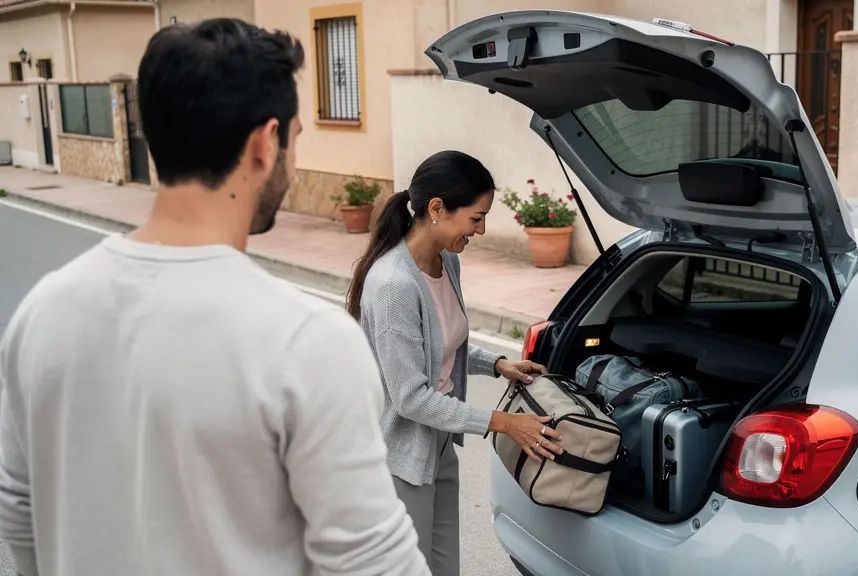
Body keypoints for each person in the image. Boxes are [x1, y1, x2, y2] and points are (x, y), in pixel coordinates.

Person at [0, 18, 428, 576]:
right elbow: (373, 564)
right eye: (295, 140)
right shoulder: (307, 343)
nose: (292, 163)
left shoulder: (42, 311)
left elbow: (18, 508)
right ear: (264, 143)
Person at [346, 150, 565, 576]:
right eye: (475, 218)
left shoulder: (448, 261)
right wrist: (502, 422)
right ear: (436, 209)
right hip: (398, 456)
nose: (481, 229)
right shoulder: (394, 285)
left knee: (445, 566)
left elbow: (443, 346)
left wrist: (497, 364)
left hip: (439, 441)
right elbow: (410, 398)